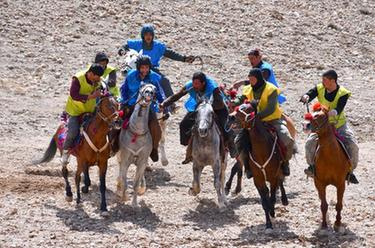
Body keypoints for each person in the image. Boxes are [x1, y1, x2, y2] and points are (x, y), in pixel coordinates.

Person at [160, 71, 237, 164]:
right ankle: (190, 149)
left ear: (203, 83)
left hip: (217, 109)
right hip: (200, 108)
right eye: (193, 83)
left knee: (226, 128)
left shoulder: (213, 88)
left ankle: (232, 147)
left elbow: (219, 103)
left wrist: (207, 107)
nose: (195, 86)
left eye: (197, 84)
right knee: (184, 125)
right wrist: (165, 103)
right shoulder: (190, 86)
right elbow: (177, 95)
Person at [118, 24, 196, 112]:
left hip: (152, 69)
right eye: (146, 34)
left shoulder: (158, 46)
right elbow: (125, 46)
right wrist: (122, 50)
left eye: (150, 34)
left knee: (164, 81)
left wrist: (184, 58)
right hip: (138, 68)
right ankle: (123, 103)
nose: (148, 37)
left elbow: (170, 53)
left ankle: (171, 104)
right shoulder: (137, 44)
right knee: (128, 82)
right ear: (143, 35)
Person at [300, 70, 359, 184]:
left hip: (338, 124)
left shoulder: (343, 93)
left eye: (324, 80)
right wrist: (307, 96)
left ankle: (350, 171)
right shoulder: (320, 87)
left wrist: (333, 112)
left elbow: (340, 107)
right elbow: (311, 93)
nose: (322, 82)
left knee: (353, 145)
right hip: (322, 125)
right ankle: (312, 167)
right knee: (309, 143)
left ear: (332, 81)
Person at [235, 68, 294, 177]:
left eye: (253, 79)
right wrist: (234, 102)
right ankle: (248, 167)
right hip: (252, 123)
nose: (251, 81)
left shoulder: (271, 89)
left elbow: (271, 108)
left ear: (258, 78)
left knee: (287, 139)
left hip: (272, 120)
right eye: (250, 79)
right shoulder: (248, 89)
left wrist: (256, 116)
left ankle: (285, 162)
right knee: (238, 142)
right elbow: (241, 98)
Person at [119, 55, 165, 162]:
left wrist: (161, 102)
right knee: (117, 123)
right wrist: (125, 100)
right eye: (142, 67)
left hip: (148, 106)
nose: (145, 70)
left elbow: (159, 92)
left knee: (156, 128)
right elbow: (124, 89)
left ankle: (154, 148)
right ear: (138, 67)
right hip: (131, 104)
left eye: (147, 67)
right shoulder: (130, 75)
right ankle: (114, 146)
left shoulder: (154, 77)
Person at [61, 64, 105, 164]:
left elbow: (102, 91)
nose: (98, 79)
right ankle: (66, 151)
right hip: (76, 111)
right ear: (90, 73)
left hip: (91, 110)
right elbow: (74, 95)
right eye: (96, 76)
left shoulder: (98, 80)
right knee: (73, 131)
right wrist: (92, 96)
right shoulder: (78, 79)